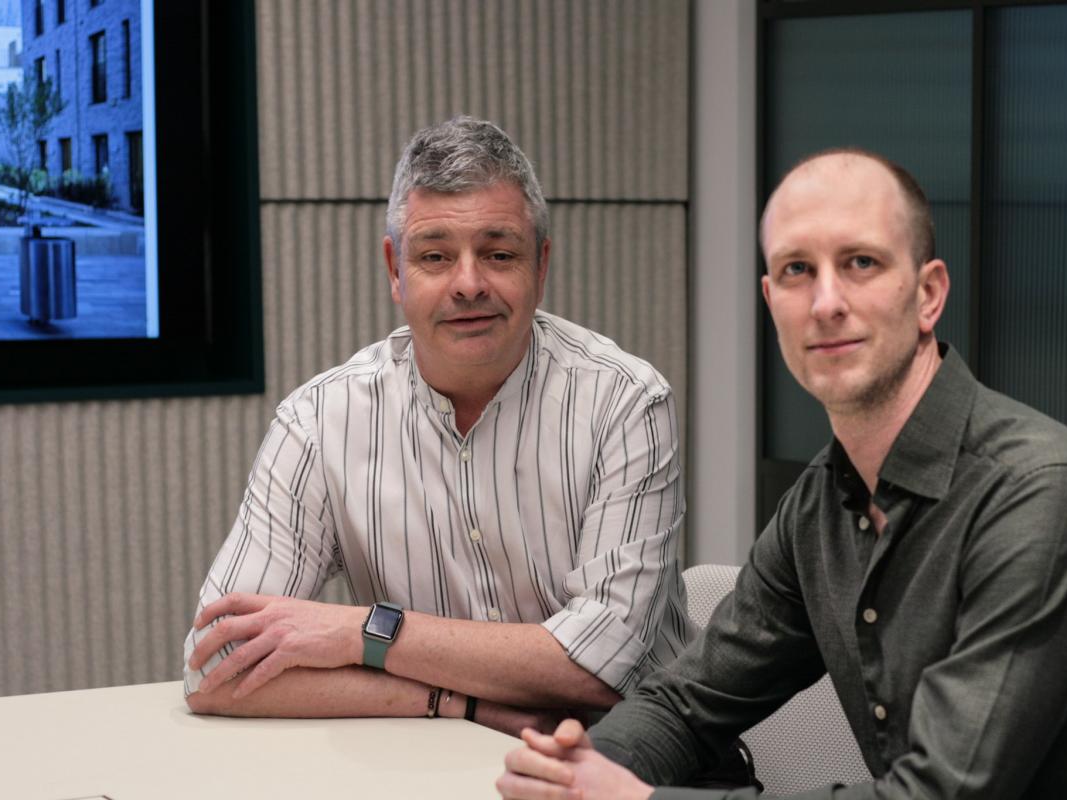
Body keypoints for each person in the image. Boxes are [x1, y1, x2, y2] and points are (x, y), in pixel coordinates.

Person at [496, 149, 1067, 798]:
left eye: (860, 263)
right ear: (772, 302)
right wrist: (580, 773)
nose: (825, 302)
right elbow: (686, 702)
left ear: (928, 294)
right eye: (796, 270)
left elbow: (944, 793)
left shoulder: (1040, 494)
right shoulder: (822, 506)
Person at [182, 116, 691, 735]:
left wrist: (364, 632)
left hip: (641, 771)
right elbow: (219, 665)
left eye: (499, 254)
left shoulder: (626, 403)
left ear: (542, 265)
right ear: (396, 270)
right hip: (437, 767)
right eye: (435, 256)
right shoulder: (318, 422)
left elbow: (597, 664)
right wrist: (453, 705)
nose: (469, 283)